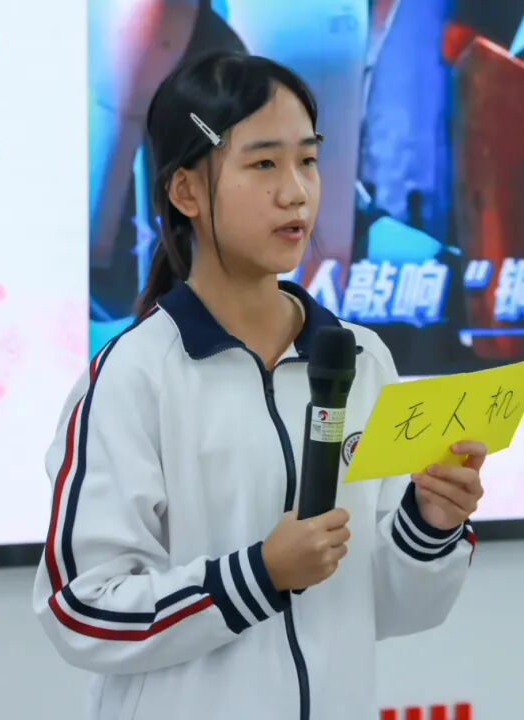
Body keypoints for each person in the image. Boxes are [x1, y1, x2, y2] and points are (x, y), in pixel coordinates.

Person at [34, 51, 486, 720]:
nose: (296, 192)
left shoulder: (360, 359)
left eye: (308, 160)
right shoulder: (136, 376)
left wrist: (430, 524)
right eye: (264, 164)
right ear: (187, 192)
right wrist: (258, 574)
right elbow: (83, 609)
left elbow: (391, 609)